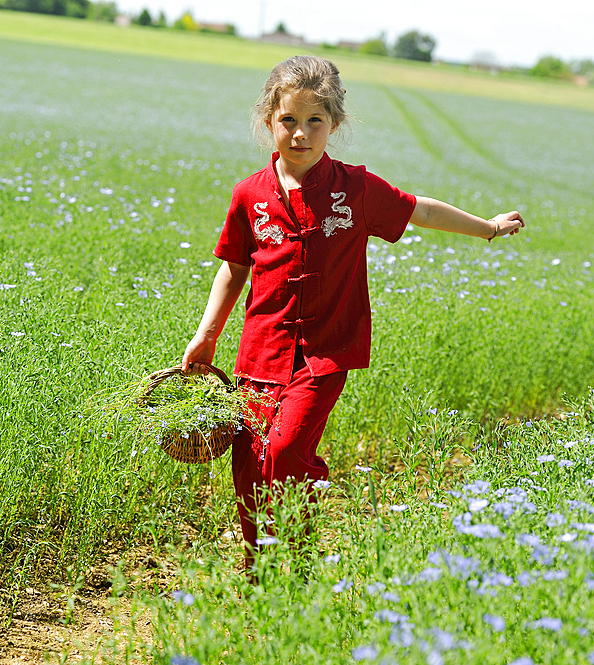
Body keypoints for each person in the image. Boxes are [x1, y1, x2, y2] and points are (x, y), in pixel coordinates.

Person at [180, 55, 524, 570]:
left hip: (325, 354)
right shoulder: (249, 194)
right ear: (268, 120)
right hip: (260, 354)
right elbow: (234, 268)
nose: (300, 133)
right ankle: (259, 576)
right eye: (288, 120)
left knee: (288, 451)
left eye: (314, 120)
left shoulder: (354, 189)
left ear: (334, 125)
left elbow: (421, 209)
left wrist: (488, 227)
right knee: (250, 469)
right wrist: (206, 337)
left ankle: (293, 564)